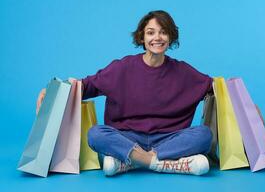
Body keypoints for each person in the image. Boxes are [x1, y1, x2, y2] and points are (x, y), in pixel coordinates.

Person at [36, 10, 214, 177]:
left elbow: (213, 87)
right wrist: (53, 90)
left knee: (204, 135)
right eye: (151, 32)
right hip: (127, 137)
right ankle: (163, 164)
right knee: (96, 134)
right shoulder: (122, 68)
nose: (157, 38)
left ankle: (131, 162)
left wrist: (229, 88)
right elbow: (85, 86)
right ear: (142, 38)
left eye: (163, 32)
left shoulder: (183, 71)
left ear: (170, 37)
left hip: (167, 139)